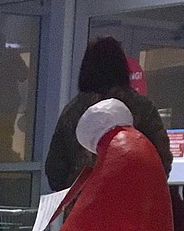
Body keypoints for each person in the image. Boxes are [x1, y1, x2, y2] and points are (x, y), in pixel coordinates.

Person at [45, 37, 173, 191]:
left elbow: (55, 172)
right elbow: (161, 162)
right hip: (131, 205)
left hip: (83, 207)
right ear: (121, 67)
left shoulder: (73, 111)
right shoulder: (142, 108)